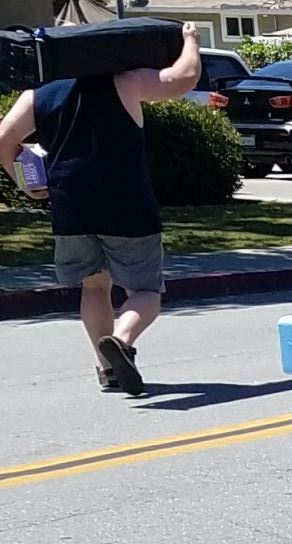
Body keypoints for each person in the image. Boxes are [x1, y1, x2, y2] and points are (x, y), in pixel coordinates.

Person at [0, 21, 202, 395]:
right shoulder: (123, 79)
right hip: (126, 202)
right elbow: (183, 78)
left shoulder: (38, 93)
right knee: (145, 290)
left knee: (93, 287)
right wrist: (191, 41)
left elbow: (3, 139)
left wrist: (27, 184)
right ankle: (122, 340)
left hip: (70, 205)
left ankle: (108, 367)